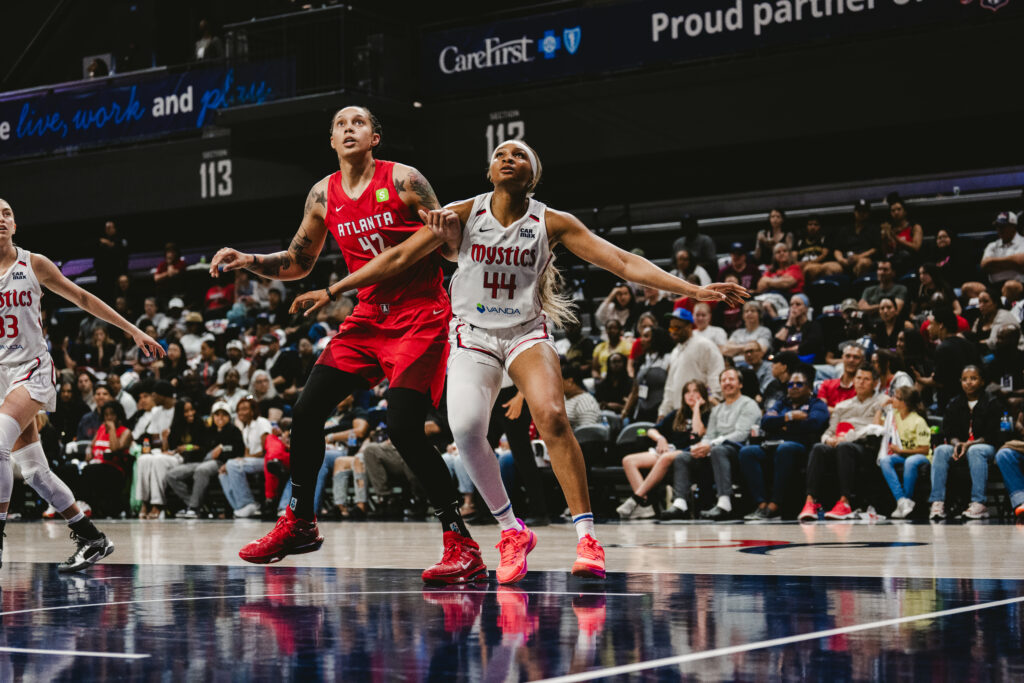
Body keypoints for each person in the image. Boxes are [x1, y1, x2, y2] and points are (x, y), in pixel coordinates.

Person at [289, 138, 747, 583]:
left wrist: (694, 290)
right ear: (489, 173)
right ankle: (512, 530)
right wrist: (334, 291)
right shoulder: (464, 214)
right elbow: (400, 256)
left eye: (519, 155)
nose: (508, 157)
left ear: (534, 175)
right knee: (467, 430)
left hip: (525, 332)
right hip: (472, 335)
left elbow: (623, 262)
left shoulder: (553, 222)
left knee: (551, 415)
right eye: (500, 154)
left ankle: (587, 538)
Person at [210, 106, 481, 580]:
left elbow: (445, 247)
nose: (348, 129)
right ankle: (299, 522)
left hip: (421, 315)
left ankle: (460, 541)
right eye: (340, 124)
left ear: (376, 137)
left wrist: (335, 290)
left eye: (358, 123)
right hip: (368, 318)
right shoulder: (322, 193)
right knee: (308, 411)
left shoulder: (405, 181)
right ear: (331, 141)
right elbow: (298, 261)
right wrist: (247, 259)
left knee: (403, 429)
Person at [0, 199, 162, 570]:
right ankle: (92, 538)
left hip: (31, 370)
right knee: (36, 472)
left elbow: (83, 298)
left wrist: (133, 330)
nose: (1, 219)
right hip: (0, 377)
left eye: (7, 213)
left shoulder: (33, 263)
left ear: (16, 223)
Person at [738, 367, 829, 520]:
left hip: (802, 448)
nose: (794, 387)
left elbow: (814, 423)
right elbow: (766, 421)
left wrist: (782, 425)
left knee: (785, 448)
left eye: (799, 384)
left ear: (808, 388)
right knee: (748, 452)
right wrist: (790, 417)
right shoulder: (782, 404)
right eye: (790, 384)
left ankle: (775, 505)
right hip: (774, 445)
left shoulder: (817, 404)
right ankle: (761, 505)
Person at [670, 368, 760, 520]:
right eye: (723, 380)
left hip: (739, 451)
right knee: (683, 457)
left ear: (740, 384)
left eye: (731, 379)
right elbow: (709, 435)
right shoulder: (717, 409)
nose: (727, 383)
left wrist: (710, 445)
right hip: (714, 449)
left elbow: (741, 434)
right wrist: (701, 446)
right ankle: (680, 503)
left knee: (719, 450)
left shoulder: (748, 404)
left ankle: (725, 503)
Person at [798, 365, 886, 521]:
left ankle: (845, 502)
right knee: (819, 447)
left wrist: (848, 438)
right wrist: (828, 439)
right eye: (858, 378)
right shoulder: (842, 406)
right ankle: (810, 502)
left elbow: (877, 428)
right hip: (840, 443)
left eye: (866, 379)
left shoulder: (881, 402)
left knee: (845, 447)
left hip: (865, 447)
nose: (861, 382)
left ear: (875, 383)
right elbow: (829, 431)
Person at [619, 380, 710, 520]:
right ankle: (645, 506)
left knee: (666, 458)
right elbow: (652, 430)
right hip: (669, 450)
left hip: (689, 452)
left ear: (702, 394)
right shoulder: (676, 414)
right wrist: (661, 439)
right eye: (687, 391)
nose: (691, 395)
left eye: (695, 391)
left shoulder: (707, 413)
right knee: (628, 460)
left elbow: (698, 432)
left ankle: (635, 499)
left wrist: (696, 408)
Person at [928, 365, 1002, 521]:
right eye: (965, 379)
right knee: (941, 450)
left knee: (976, 451)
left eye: (973, 378)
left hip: (985, 446)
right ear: (960, 382)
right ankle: (937, 502)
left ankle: (979, 503)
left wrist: (970, 444)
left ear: (982, 381)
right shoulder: (955, 402)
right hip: (961, 445)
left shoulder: (992, 402)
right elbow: (949, 431)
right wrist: (957, 444)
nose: (969, 383)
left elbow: (992, 434)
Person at [167, 402, 242, 518]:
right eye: (217, 415)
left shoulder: (234, 431)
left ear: (229, 416)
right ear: (213, 416)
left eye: (224, 415)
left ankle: (194, 508)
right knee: (172, 474)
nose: (220, 418)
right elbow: (202, 449)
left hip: (221, 462)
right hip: (203, 461)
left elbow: (237, 451)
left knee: (202, 470)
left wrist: (222, 449)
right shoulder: (208, 431)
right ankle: (194, 504)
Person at [877, 386, 932, 519]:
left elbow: (924, 449)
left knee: (910, 461)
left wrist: (901, 450)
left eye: (896, 397)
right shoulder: (894, 416)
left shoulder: (919, 421)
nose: (892, 399)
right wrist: (880, 408)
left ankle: (907, 498)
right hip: (903, 455)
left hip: (921, 456)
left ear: (905, 403)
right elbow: (879, 426)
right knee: (885, 460)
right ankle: (901, 501)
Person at [659, 308, 725, 418]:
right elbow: (670, 385)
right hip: (678, 412)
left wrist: (713, 402)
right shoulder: (675, 351)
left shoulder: (704, 345)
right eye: (671, 328)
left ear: (689, 326)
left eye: (677, 328)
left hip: (701, 410)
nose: (673, 332)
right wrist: (663, 411)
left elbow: (716, 374)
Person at [219, 397, 272, 519]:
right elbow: (247, 453)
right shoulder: (246, 429)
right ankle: (240, 507)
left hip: (265, 460)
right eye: (239, 410)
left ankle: (248, 503)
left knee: (233, 464)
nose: (240, 412)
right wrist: (240, 459)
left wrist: (241, 460)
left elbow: (266, 450)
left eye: (244, 409)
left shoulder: (261, 422)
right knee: (222, 472)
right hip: (253, 461)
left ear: (253, 411)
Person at [878, 195, 923, 273]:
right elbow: (885, 253)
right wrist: (884, 239)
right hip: (892, 262)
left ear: (905, 211)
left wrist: (896, 239)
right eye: (893, 210)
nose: (896, 212)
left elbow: (916, 247)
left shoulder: (914, 227)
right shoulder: (889, 229)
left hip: (909, 261)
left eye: (899, 209)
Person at [773, 294, 824, 363]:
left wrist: (787, 351)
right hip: (787, 362)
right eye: (791, 305)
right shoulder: (786, 327)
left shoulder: (814, 325)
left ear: (806, 308)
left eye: (798, 304)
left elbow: (811, 345)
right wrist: (789, 322)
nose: (794, 307)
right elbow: (777, 344)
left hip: (807, 360)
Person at [834, 199, 877, 277]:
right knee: (828, 267)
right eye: (859, 211)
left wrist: (858, 257)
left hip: (863, 258)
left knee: (863, 263)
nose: (861, 214)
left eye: (864, 212)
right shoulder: (845, 229)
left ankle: (858, 288)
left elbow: (875, 249)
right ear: (855, 212)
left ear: (868, 213)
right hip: (846, 260)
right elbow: (837, 249)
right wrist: (841, 260)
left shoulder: (873, 229)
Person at [817, 343, 864, 410]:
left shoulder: (864, 387)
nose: (851, 360)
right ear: (842, 358)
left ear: (862, 361)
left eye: (856, 357)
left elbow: (857, 412)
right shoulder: (826, 384)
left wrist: (830, 410)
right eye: (848, 356)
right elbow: (821, 410)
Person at [797, 215, 843, 281]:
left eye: (816, 225)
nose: (813, 227)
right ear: (806, 227)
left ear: (820, 227)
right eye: (810, 224)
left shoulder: (824, 239)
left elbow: (824, 255)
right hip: (804, 267)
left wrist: (810, 263)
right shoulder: (800, 241)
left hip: (820, 264)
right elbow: (793, 256)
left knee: (834, 268)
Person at [561, 363, 601, 429]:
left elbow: (588, 433)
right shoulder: (563, 398)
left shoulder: (586, 402)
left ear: (569, 382)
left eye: (559, 381)